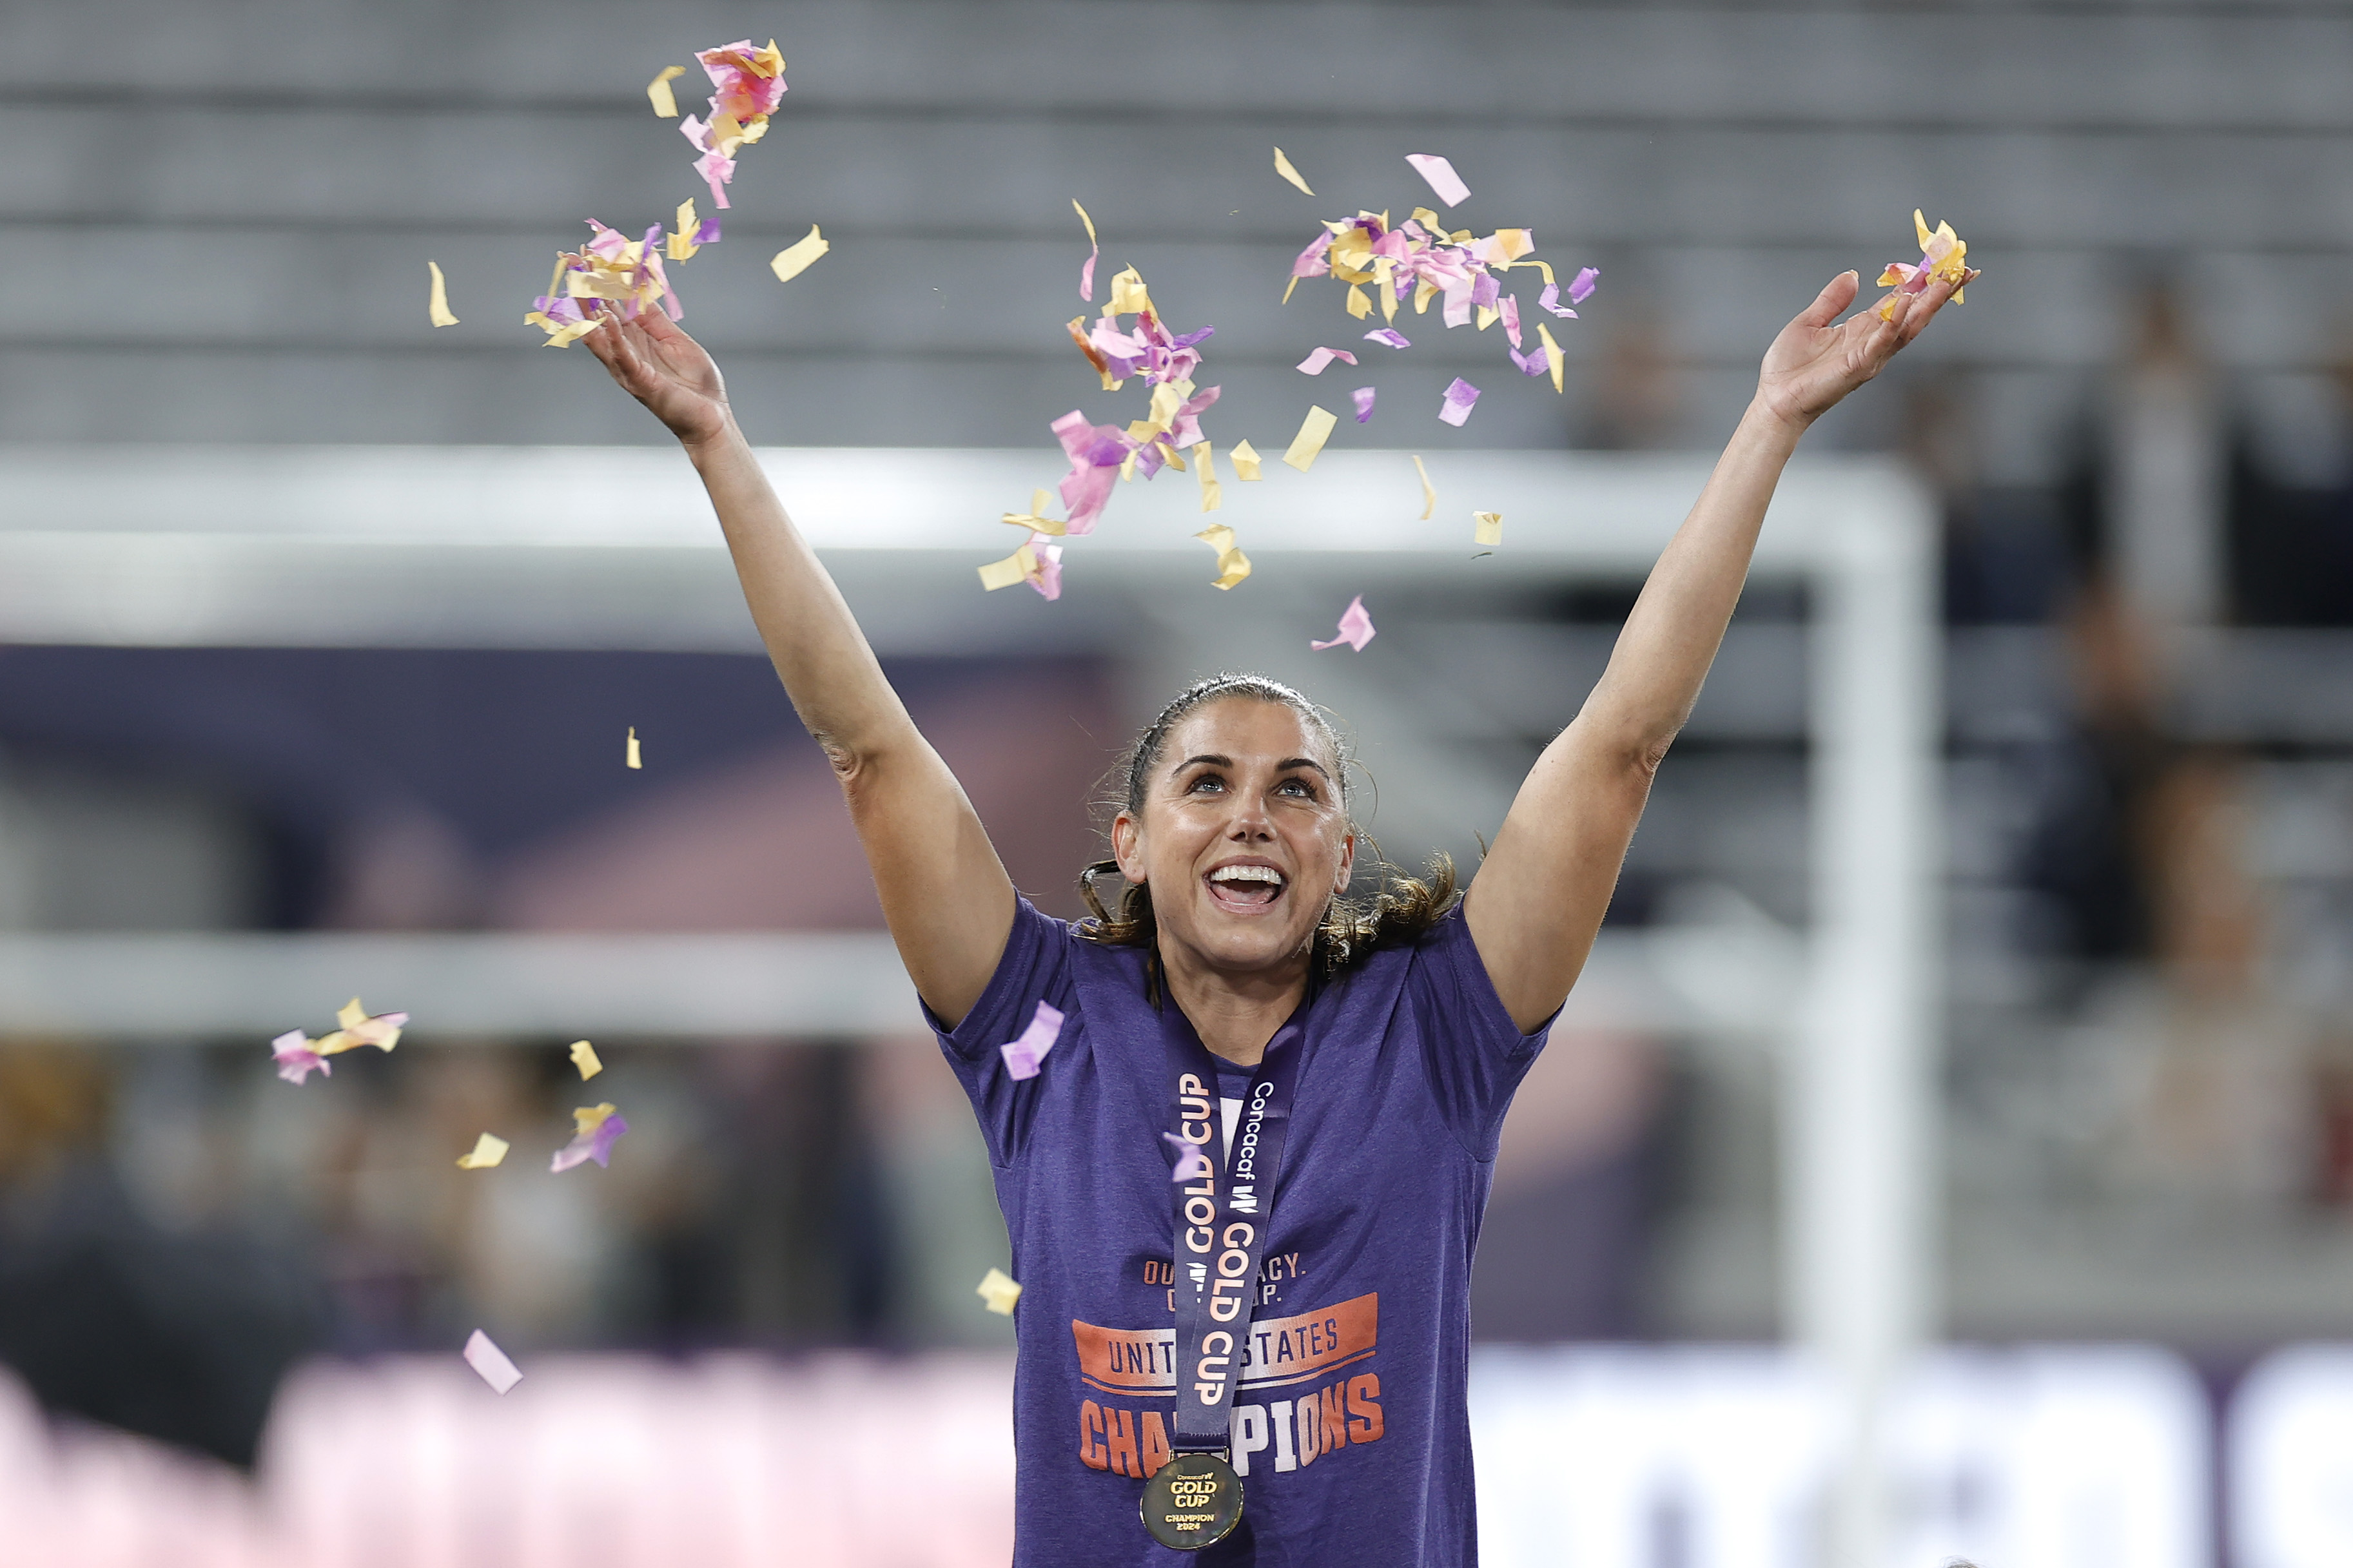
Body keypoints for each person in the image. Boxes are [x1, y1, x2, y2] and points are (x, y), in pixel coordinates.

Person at [584, 261, 1967, 1565]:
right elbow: (871, 750)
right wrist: (719, 446)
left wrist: (1769, 425)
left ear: (1339, 849)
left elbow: (1616, 745)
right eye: (1207, 782)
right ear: (1128, 842)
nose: (1252, 810)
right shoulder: (1042, 1025)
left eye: (1294, 786)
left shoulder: (1435, 1032)